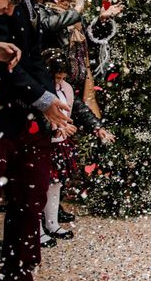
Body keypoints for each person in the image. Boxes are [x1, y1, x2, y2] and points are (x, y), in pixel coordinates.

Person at [0, 0, 69, 281]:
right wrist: (38, 96)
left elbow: (31, 52)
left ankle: (19, 280)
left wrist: (48, 100)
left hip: (29, 116)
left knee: (30, 199)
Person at [38, 49, 115, 248]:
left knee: (55, 184)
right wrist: (56, 129)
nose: (60, 81)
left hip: (58, 145)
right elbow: (36, 116)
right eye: (56, 77)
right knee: (37, 186)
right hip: (40, 144)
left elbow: (80, 109)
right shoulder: (37, 88)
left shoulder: (67, 89)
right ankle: (35, 230)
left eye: (63, 77)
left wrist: (97, 128)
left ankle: (52, 223)